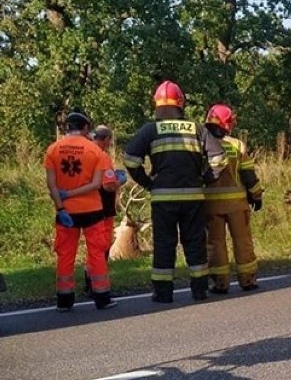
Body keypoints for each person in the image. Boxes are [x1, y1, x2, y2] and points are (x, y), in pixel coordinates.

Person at [124, 81, 226, 303]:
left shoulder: (149, 130)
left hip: (163, 198)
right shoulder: (197, 128)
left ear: (157, 104)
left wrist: (148, 182)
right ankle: (200, 290)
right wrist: (206, 179)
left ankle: (163, 293)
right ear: (181, 103)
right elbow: (219, 159)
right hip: (193, 197)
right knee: (195, 242)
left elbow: (130, 160)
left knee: (164, 244)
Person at [44, 109, 115, 311]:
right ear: (85, 128)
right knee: (96, 253)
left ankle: (64, 300)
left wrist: (61, 205)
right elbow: (96, 184)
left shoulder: (53, 150)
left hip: (66, 212)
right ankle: (102, 298)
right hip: (92, 210)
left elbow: (51, 184)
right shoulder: (95, 151)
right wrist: (74, 193)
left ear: (68, 127)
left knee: (65, 254)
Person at [203, 104, 264, 294]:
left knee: (215, 243)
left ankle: (220, 282)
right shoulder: (237, 144)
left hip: (211, 204)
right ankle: (248, 280)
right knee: (243, 241)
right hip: (238, 204)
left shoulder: (202, 144)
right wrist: (256, 195)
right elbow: (248, 175)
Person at [84, 125, 126, 297]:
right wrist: (120, 180)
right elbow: (108, 186)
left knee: (92, 246)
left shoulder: (84, 153)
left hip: (86, 206)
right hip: (103, 207)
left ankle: (89, 281)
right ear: (107, 139)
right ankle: (98, 286)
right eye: (109, 140)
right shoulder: (102, 157)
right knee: (102, 246)